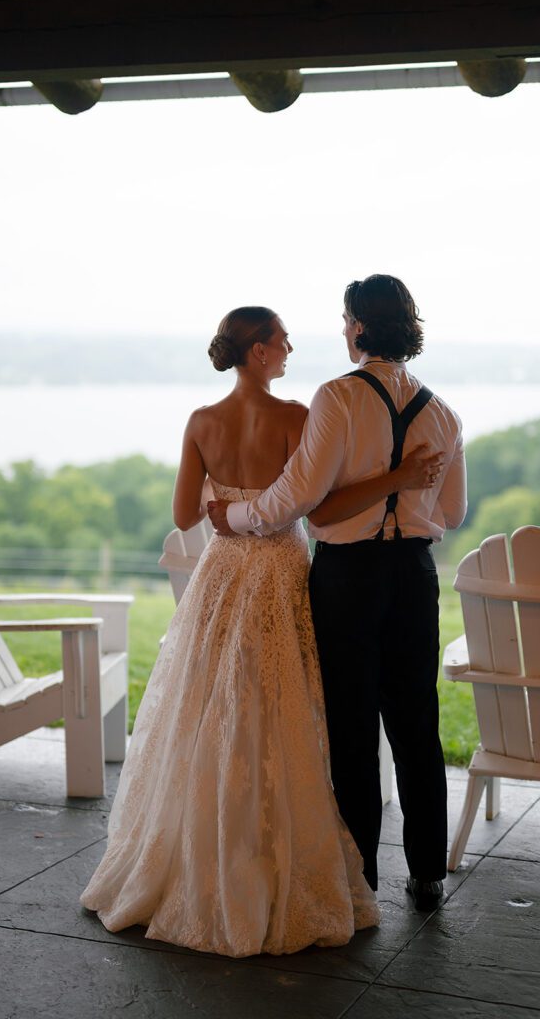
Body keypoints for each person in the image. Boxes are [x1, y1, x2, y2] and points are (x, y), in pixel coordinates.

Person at [80, 305, 443, 957]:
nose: (290, 347)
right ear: (256, 352)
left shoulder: (201, 422)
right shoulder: (297, 417)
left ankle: (204, 845)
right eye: (279, 340)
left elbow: (188, 511)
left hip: (222, 575)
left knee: (212, 702)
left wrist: (228, 505)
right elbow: (307, 498)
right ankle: (304, 852)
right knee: (280, 702)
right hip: (279, 568)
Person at [209, 276, 467, 911]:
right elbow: (454, 511)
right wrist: (405, 490)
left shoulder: (337, 399)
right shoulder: (443, 412)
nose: (341, 329)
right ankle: (428, 872)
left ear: (358, 326)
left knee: (351, 727)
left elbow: (298, 497)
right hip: (414, 575)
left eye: (344, 318)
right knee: (416, 724)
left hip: (348, 576)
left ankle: (360, 878)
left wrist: (235, 519)